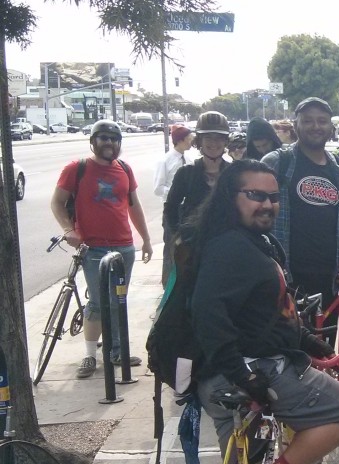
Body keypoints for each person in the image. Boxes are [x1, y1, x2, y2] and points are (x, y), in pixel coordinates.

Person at [189, 159, 339, 464]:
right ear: (230, 197)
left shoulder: (249, 241)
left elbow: (263, 313)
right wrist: (244, 375)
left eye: (272, 197)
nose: (266, 204)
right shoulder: (231, 247)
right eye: (255, 196)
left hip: (219, 378)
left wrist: (305, 341)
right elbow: (207, 313)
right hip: (247, 372)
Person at [50, 120, 153, 377]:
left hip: (124, 248)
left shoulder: (124, 169)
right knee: (97, 303)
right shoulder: (78, 168)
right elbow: (57, 202)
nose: (109, 143)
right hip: (93, 247)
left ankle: (117, 350)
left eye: (114, 139)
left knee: (118, 300)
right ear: (93, 141)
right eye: (103, 138)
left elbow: (134, 206)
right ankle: (89, 356)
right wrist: (68, 230)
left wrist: (146, 239)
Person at [262, 97, 339, 319]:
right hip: (283, 277)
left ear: (331, 128)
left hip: (329, 279)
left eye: (322, 121)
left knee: (325, 348)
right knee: (288, 347)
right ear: (295, 125)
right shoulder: (276, 163)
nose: (316, 127)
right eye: (307, 121)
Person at [163, 111, 230, 250]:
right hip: (193, 246)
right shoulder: (186, 173)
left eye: (219, 138)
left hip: (227, 245)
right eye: (208, 138)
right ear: (199, 141)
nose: (213, 143)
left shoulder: (234, 173)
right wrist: (178, 237)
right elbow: (170, 208)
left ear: (226, 141)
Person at [154, 124, 194, 286]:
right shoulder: (165, 160)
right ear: (181, 140)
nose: (192, 141)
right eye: (190, 138)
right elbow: (158, 188)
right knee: (171, 246)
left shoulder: (191, 160)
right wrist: (177, 192)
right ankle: (167, 284)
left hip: (189, 210)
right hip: (173, 209)